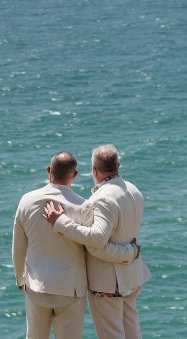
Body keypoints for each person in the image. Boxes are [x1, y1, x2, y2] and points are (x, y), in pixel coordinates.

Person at [12, 152, 136, 339]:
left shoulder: (26, 201)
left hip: (37, 288)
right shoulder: (83, 206)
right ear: (75, 175)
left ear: (49, 170)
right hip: (70, 291)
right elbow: (93, 246)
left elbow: (18, 246)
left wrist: (20, 279)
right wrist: (130, 251)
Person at [43, 144, 151, 339]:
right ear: (118, 165)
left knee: (112, 334)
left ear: (94, 170)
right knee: (132, 332)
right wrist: (131, 252)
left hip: (109, 283)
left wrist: (60, 222)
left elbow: (96, 239)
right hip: (132, 276)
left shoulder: (101, 199)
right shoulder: (134, 191)